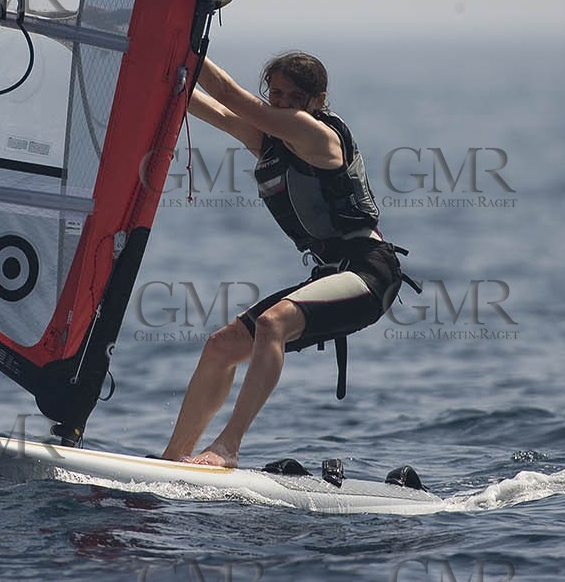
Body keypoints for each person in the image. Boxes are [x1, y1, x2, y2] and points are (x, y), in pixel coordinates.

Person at [159, 52, 408, 468]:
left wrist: (184, 38)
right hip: (330, 273)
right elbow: (212, 109)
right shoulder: (270, 140)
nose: (283, 103)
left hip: (370, 272)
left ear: (317, 101)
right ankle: (173, 457)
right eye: (275, 93)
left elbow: (227, 95)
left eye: (295, 96)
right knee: (222, 346)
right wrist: (160, 73)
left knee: (272, 323)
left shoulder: (315, 134)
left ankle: (227, 448)